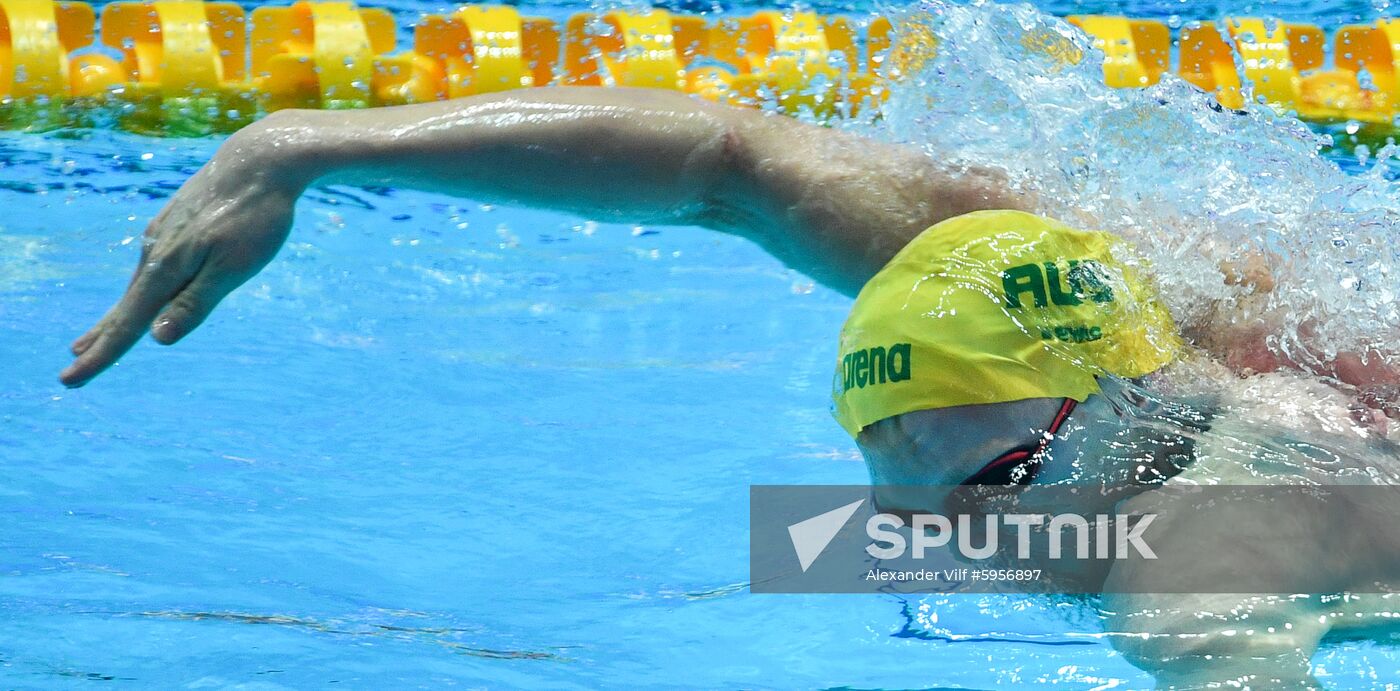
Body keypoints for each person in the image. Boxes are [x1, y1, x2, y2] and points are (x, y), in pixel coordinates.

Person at [58, 87, 1399, 686]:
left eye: (996, 490)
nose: (943, 548)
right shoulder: (1080, 295)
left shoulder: (1195, 588)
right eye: (901, 505)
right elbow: (729, 162)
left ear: (1118, 401)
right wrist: (302, 145)